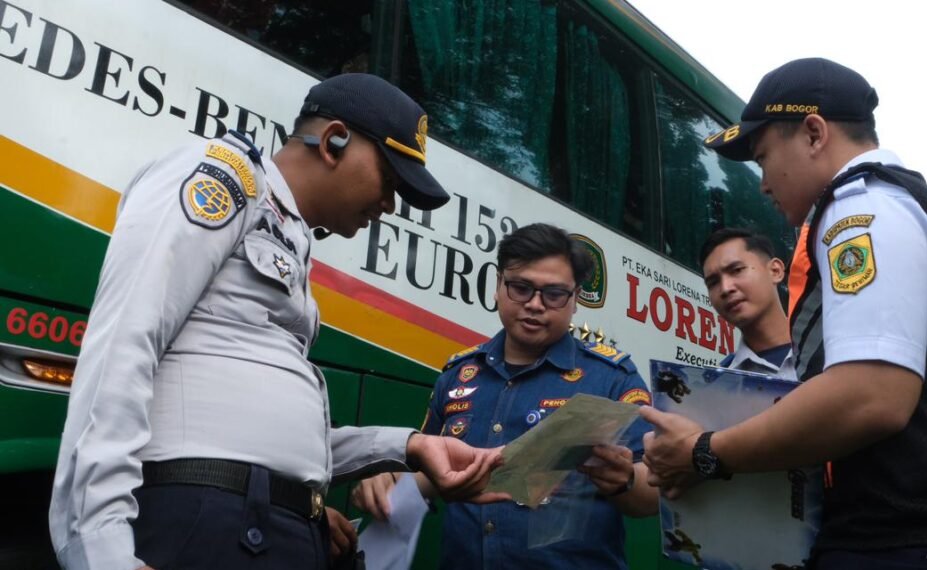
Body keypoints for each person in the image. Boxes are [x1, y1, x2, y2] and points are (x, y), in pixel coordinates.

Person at [49, 73, 501, 570]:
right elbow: (125, 342)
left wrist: (406, 447)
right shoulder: (227, 177)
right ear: (333, 142)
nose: (389, 205)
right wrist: (101, 548)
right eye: (389, 181)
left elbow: (249, 430)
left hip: (266, 532)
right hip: (210, 522)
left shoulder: (291, 238)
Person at [639, 58, 927, 569]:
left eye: (763, 158)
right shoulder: (903, 207)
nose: (762, 183)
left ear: (812, 133)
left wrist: (707, 451)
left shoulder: (862, 209)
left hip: (915, 545)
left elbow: (871, 396)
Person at [353, 223, 658, 569]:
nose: (535, 304)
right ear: (498, 286)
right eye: (521, 288)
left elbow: (654, 495)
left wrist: (627, 480)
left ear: (574, 301)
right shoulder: (457, 374)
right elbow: (429, 475)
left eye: (554, 294)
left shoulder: (611, 379)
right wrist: (388, 481)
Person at [700, 228, 795, 379]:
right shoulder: (717, 386)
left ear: (775, 271)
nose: (725, 288)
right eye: (713, 283)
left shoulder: (833, 353)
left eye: (736, 270)